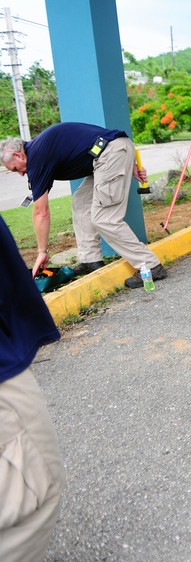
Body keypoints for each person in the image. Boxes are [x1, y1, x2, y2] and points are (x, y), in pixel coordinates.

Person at [0, 123, 166, 288]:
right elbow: (94, 139)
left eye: (16, 169)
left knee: (104, 219)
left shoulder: (36, 159)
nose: (21, 174)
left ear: (19, 155)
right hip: (107, 155)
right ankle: (90, 260)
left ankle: (150, 266)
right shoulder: (38, 150)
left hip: (110, 154)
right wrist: (127, 164)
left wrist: (42, 252)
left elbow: (41, 212)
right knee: (80, 201)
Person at [0, 215, 64, 561]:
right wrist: (41, 250)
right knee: (33, 499)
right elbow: (40, 209)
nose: (19, 172)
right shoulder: (38, 160)